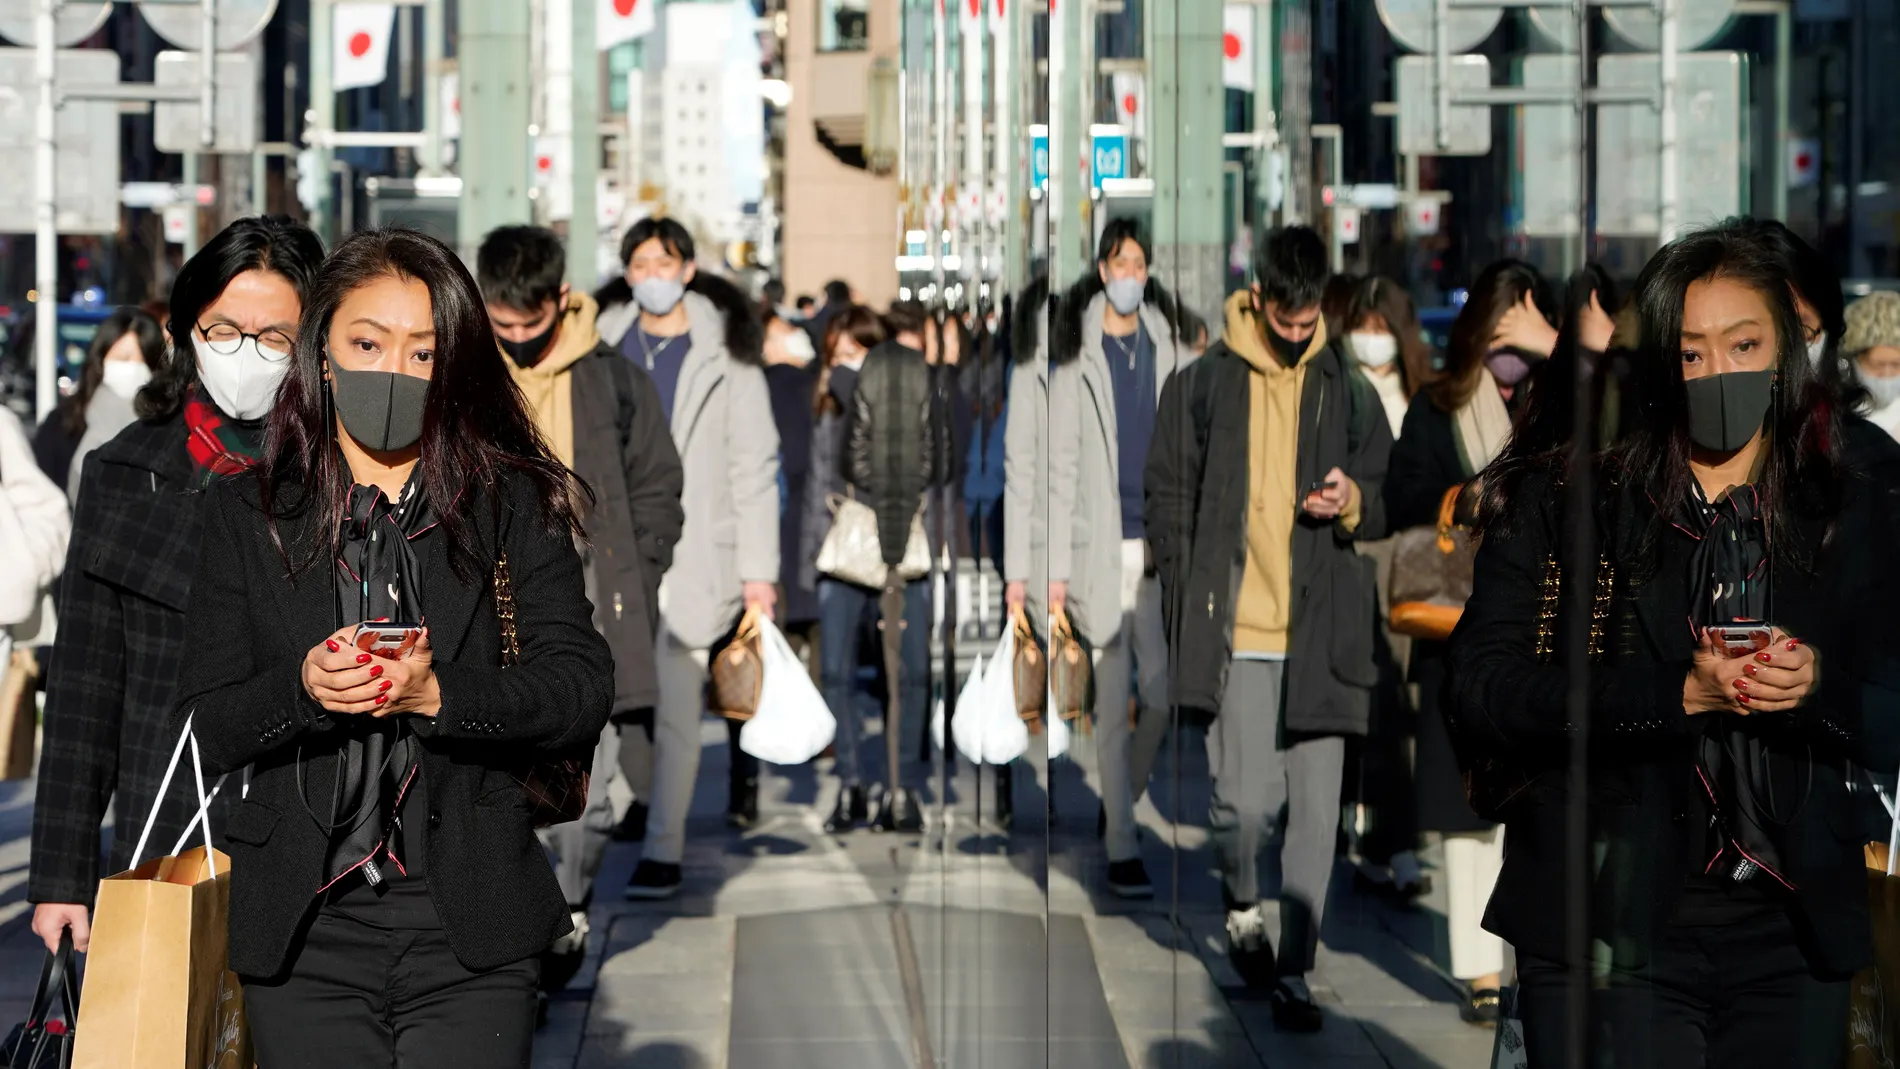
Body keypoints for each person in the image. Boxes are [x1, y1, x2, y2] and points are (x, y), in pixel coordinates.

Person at [1453, 220, 1893, 1069]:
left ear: (1790, 349)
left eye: (1746, 344)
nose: (1720, 372)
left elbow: (1891, 707)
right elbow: (1481, 688)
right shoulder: (1570, 492)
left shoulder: (1853, 494)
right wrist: (1676, 694)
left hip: (1790, 936)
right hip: (1607, 926)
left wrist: (1814, 690)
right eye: (1692, 353)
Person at [170, 228, 613, 1068]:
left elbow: (579, 684)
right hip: (304, 931)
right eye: (368, 343)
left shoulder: (508, 501)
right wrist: (304, 686)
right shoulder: (250, 511)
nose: (394, 372)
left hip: (469, 922)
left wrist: (440, 696)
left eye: (424, 353)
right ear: (324, 352)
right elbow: (209, 719)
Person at [29, 216, 324, 956]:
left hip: (316, 832)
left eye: (274, 337)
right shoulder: (125, 470)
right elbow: (85, 685)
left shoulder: (344, 472)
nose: (246, 354)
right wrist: (61, 876)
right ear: (189, 331)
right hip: (169, 830)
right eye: (224, 329)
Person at [1145, 225, 1391, 1031]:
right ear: (1257, 300)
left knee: (1317, 816)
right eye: (1285, 321)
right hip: (1240, 628)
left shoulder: (1345, 384)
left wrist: (1350, 499)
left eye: (1309, 318)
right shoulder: (1203, 386)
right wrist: (1185, 594)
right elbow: (1168, 496)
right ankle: (1243, 899)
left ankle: (1297, 970)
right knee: (1245, 807)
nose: (1296, 335)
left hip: (1324, 628)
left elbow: (1387, 490)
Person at [474, 225, 684, 988]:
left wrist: (641, 568)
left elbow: (659, 481)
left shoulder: (613, 377)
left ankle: (563, 913)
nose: (520, 343)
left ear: (561, 301)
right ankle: (526, 924)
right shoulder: (468, 374)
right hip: (489, 592)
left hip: (593, 590)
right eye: (505, 330)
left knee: (588, 785)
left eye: (531, 327)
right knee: (500, 774)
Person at [1382, 259, 1559, 1022]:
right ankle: (1482, 970)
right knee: (1464, 812)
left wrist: (1559, 355)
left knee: (1536, 804)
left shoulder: (1562, 400)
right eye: (1502, 324)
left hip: (1543, 634)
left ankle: (1530, 951)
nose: (1510, 347)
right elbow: (1403, 498)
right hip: (1459, 630)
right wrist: (1466, 498)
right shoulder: (1438, 405)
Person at [602, 217, 779, 900]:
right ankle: (637, 804)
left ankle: (664, 846)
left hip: (698, 554)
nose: (652, 274)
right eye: (640, 263)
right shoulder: (606, 348)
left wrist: (758, 572)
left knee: (677, 702)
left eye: (663, 261)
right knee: (619, 701)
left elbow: (755, 466)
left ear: (686, 269)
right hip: (621, 553)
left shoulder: (726, 352)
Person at [1046, 220, 1189, 898]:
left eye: (1139, 261)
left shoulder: (1168, 346)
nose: (1130, 273)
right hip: (1098, 549)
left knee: (1159, 698)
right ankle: (1122, 842)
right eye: (1119, 261)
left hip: (1156, 552)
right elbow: (1060, 462)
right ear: (1101, 270)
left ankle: (1120, 799)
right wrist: (1054, 565)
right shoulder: (1074, 351)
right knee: (1110, 707)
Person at [816, 303, 948, 832]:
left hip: (903, 542)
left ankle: (903, 787)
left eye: (857, 353)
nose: (847, 366)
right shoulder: (827, 399)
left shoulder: (905, 386)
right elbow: (815, 483)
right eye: (838, 356)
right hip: (842, 544)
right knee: (835, 671)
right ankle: (851, 784)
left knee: (911, 672)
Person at [1338, 275, 1435, 904]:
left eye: (1381, 328)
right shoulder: (1337, 388)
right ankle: (1368, 829)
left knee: (1400, 707)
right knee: (1363, 701)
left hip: (1411, 560)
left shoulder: (1422, 394)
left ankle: (1394, 838)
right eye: (1362, 327)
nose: (1371, 341)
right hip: (1352, 559)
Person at [32, 307, 167, 498]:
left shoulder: (168, 429)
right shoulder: (62, 424)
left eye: (143, 361)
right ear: (100, 360)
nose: (133, 368)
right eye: (124, 358)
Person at [1843, 290, 1900, 440]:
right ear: (1855, 360)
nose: (1887, 374)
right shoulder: (1840, 413)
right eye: (1878, 365)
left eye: (1896, 365)